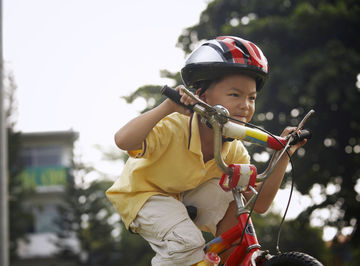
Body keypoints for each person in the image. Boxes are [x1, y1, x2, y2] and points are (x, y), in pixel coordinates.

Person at [106, 36, 306, 265]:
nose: (246, 105)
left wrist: (283, 155)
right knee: (187, 243)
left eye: (252, 98)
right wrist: (168, 106)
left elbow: (259, 204)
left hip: (184, 191)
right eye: (235, 95)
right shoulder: (174, 124)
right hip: (143, 195)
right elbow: (123, 140)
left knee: (238, 209)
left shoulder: (234, 150)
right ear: (202, 97)